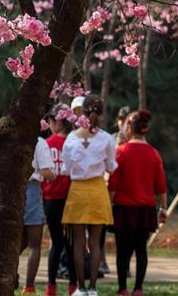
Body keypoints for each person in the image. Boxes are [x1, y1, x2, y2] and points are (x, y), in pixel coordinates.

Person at [108, 110, 167, 296]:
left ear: (129, 128)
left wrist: (108, 204)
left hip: (124, 209)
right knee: (141, 249)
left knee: (122, 251)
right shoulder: (154, 153)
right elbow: (161, 187)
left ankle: (122, 288)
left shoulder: (121, 152)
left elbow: (113, 185)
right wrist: (163, 208)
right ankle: (138, 288)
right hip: (146, 210)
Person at [61, 96, 116, 296]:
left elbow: (66, 169)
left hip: (77, 191)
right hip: (98, 190)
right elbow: (111, 167)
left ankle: (80, 288)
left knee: (78, 242)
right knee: (95, 242)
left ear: (81, 113)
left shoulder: (71, 138)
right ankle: (93, 287)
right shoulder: (107, 138)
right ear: (100, 113)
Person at [43, 105, 76, 296]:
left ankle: (51, 287)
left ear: (57, 121)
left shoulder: (46, 143)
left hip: (50, 199)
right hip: (71, 198)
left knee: (56, 243)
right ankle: (73, 286)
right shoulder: (74, 144)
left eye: (50, 122)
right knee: (71, 242)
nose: (49, 126)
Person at [20, 135, 55, 295]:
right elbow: (47, 171)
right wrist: (54, 176)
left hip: (11, 189)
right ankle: (29, 286)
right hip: (32, 189)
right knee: (34, 244)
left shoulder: (12, 137)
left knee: (17, 240)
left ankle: (9, 275)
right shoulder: (39, 142)